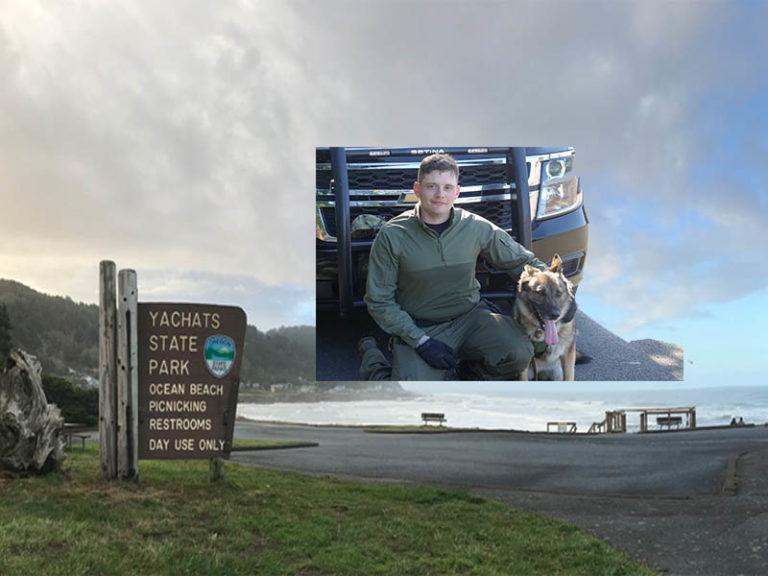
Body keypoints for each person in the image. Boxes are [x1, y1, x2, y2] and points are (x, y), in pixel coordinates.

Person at [359, 152, 548, 381]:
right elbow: (379, 301)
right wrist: (421, 342)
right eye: (432, 187)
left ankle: (467, 375)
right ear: (417, 189)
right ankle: (370, 354)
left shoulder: (475, 226)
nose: (440, 195)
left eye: (448, 187)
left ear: (457, 192)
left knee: (518, 352)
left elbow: (522, 262)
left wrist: (557, 289)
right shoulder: (392, 235)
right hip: (421, 326)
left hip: (470, 319)